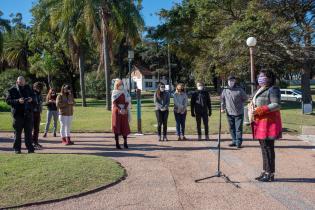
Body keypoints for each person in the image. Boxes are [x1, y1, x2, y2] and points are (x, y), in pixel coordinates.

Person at [249, 70, 282, 182]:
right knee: (264, 148)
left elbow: (276, 105)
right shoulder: (259, 89)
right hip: (259, 122)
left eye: (263, 76)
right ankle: (265, 171)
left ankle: (270, 174)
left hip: (268, 123)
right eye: (259, 75)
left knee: (268, 148)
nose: (260, 77)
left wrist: (259, 110)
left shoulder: (273, 89)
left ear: (269, 78)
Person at [6, 76, 35, 154]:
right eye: (20, 82)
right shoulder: (12, 90)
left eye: (23, 82)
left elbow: (34, 97)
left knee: (28, 132)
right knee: (17, 133)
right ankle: (17, 149)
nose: (22, 83)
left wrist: (31, 99)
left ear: (25, 82)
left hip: (28, 113)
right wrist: (18, 101)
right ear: (17, 81)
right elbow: (8, 101)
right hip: (18, 114)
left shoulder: (28, 88)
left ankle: (30, 148)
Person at [221, 75, 248, 148]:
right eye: (229, 81)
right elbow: (222, 100)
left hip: (239, 112)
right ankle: (234, 141)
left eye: (232, 81)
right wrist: (222, 108)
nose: (231, 82)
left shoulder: (240, 90)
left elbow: (245, 98)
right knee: (231, 128)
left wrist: (240, 103)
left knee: (238, 128)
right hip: (229, 113)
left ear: (235, 81)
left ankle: (238, 142)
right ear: (227, 81)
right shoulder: (225, 90)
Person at [111, 79, 131, 149]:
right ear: (116, 85)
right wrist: (120, 109)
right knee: (117, 126)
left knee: (124, 126)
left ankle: (125, 142)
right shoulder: (114, 92)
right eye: (119, 85)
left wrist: (124, 108)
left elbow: (127, 101)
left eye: (122, 84)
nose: (121, 86)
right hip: (117, 111)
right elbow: (114, 102)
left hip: (124, 111)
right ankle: (117, 144)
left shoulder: (125, 92)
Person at [32, 82, 44, 149]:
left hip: (38, 112)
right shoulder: (31, 93)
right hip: (32, 113)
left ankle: (35, 142)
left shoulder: (40, 94)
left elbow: (41, 101)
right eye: (38, 87)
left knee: (37, 129)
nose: (39, 89)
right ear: (34, 87)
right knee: (31, 128)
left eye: (40, 88)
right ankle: (31, 143)